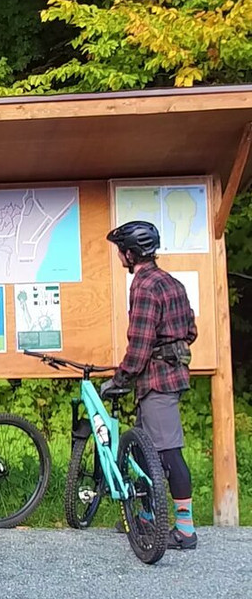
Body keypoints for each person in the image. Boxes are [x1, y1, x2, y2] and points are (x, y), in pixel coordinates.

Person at [104, 220, 199, 550]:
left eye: (121, 252)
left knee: (169, 454)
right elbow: (191, 331)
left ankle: (185, 530)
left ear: (131, 254)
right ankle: (146, 517)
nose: (119, 257)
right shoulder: (172, 282)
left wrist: (119, 380)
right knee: (145, 452)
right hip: (168, 377)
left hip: (156, 381)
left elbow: (140, 343)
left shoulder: (143, 286)